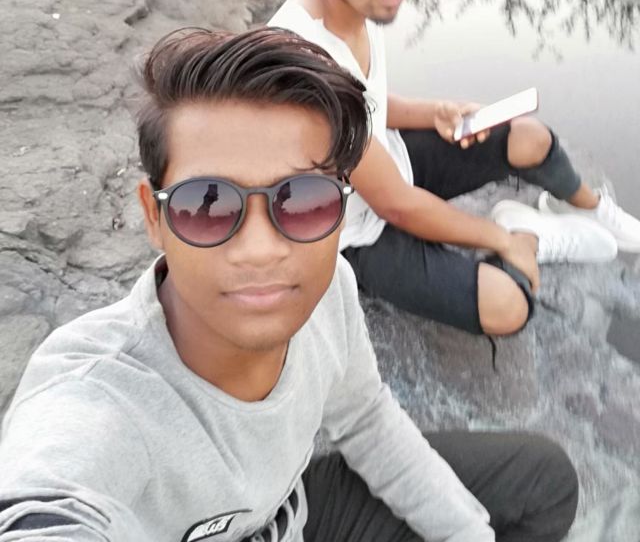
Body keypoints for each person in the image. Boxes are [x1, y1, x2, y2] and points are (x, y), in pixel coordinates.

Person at [0, 27, 579, 542]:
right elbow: (48, 503)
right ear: (155, 217)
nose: (261, 250)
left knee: (544, 481)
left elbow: (365, 418)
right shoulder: (100, 402)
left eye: (303, 201)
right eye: (208, 205)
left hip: (293, 513)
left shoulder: (330, 291)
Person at [270, 0, 640, 338]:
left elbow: (366, 102)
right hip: (352, 233)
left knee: (527, 136)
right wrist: (499, 240)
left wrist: (434, 112)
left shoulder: (348, 2)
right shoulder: (302, 64)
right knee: (507, 308)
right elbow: (395, 203)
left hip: (387, 164)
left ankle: (591, 209)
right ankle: (527, 233)